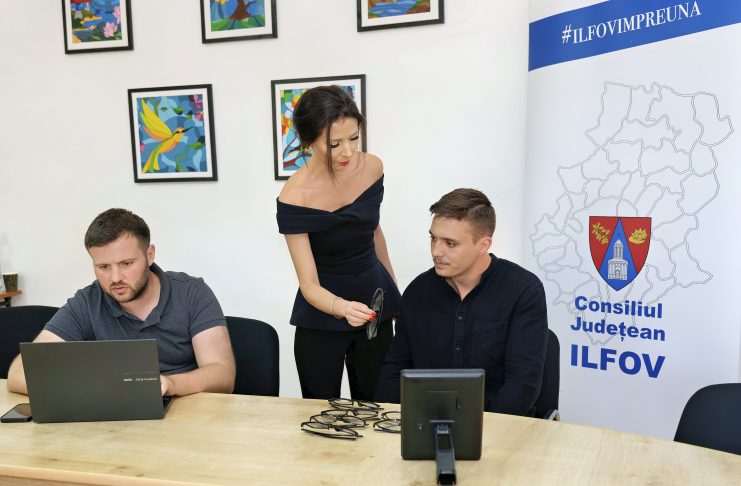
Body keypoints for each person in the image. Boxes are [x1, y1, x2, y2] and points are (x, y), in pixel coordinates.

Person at [6, 208, 235, 397]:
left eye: (126, 264)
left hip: (186, 412)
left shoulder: (192, 292)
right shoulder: (87, 302)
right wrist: (94, 389)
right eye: (103, 267)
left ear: (149, 255)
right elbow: (18, 374)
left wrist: (169, 384)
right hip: (114, 420)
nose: (115, 278)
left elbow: (222, 374)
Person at [375, 188, 548, 416]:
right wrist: (389, 420)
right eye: (433, 238)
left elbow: (522, 385)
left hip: (499, 424)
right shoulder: (418, 292)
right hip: (425, 422)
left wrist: (487, 429)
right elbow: (394, 370)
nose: (436, 251)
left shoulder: (523, 290)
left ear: (483, 245)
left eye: (450, 243)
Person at [276, 85, 401, 400]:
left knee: (379, 408)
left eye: (354, 138)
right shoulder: (295, 196)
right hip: (321, 315)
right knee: (321, 415)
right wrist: (341, 307)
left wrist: (395, 295)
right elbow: (308, 283)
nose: (348, 152)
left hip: (374, 304)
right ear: (309, 141)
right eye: (334, 144)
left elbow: (374, 233)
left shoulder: (372, 167)